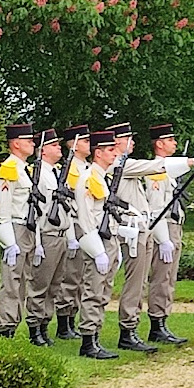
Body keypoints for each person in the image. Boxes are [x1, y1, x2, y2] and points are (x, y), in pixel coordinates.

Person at [145, 123, 194, 343]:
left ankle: (163, 320)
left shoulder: (170, 170)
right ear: (159, 144)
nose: (174, 143)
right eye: (170, 140)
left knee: (169, 277)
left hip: (174, 226)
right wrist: (163, 239)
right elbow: (156, 208)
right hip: (164, 229)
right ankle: (157, 323)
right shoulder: (156, 172)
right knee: (162, 277)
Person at [75, 130, 123, 359]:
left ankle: (96, 336)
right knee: (93, 290)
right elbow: (85, 218)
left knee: (103, 291)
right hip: (98, 241)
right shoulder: (88, 178)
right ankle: (88, 341)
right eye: (110, 150)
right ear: (98, 153)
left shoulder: (103, 178)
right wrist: (97, 251)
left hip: (109, 239)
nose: (115, 154)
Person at [25, 128, 71, 346]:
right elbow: (35, 211)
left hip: (61, 235)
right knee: (40, 285)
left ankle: (45, 325)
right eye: (54, 145)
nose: (59, 148)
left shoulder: (57, 173)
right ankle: (34, 328)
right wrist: (38, 242)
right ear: (43, 150)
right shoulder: (38, 175)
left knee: (55, 285)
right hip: (47, 235)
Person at [0, 124, 37, 338]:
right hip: (15, 228)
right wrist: (9, 241)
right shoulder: (9, 168)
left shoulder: (24, 168)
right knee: (12, 279)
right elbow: (3, 206)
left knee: (23, 279)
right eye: (28, 140)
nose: (33, 144)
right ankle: (6, 326)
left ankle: (13, 323)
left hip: (27, 227)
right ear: (16, 144)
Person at [54, 124, 91, 340]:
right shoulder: (69, 169)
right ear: (74, 145)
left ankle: (72, 317)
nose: (89, 144)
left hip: (87, 224)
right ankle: (63, 322)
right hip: (74, 223)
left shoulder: (87, 168)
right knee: (71, 275)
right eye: (85, 141)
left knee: (82, 276)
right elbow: (67, 202)